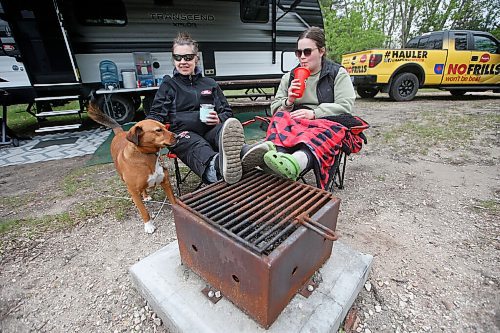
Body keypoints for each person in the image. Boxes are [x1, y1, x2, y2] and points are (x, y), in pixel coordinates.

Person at [250, 26, 360, 189]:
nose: (302, 57)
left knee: (323, 131)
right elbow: (275, 108)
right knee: (279, 117)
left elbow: (345, 106)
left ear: (321, 51)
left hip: (324, 122)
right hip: (296, 123)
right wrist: (289, 100)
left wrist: (315, 113)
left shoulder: (337, 73)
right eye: (298, 52)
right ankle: (275, 159)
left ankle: (296, 162)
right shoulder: (290, 76)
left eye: (307, 52)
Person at [147, 32, 252, 185]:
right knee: (195, 144)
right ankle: (217, 168)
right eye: (178, 57)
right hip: (183, 133)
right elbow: (156, 115)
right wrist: (143, 130)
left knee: (225, 129)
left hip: (210, 130)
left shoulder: (210, 83)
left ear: (197, 58)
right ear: (173, 59)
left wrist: (219, 119)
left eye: (188, 57)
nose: (183, 61)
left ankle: (244, 154)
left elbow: (227, 112)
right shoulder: (169, 85)